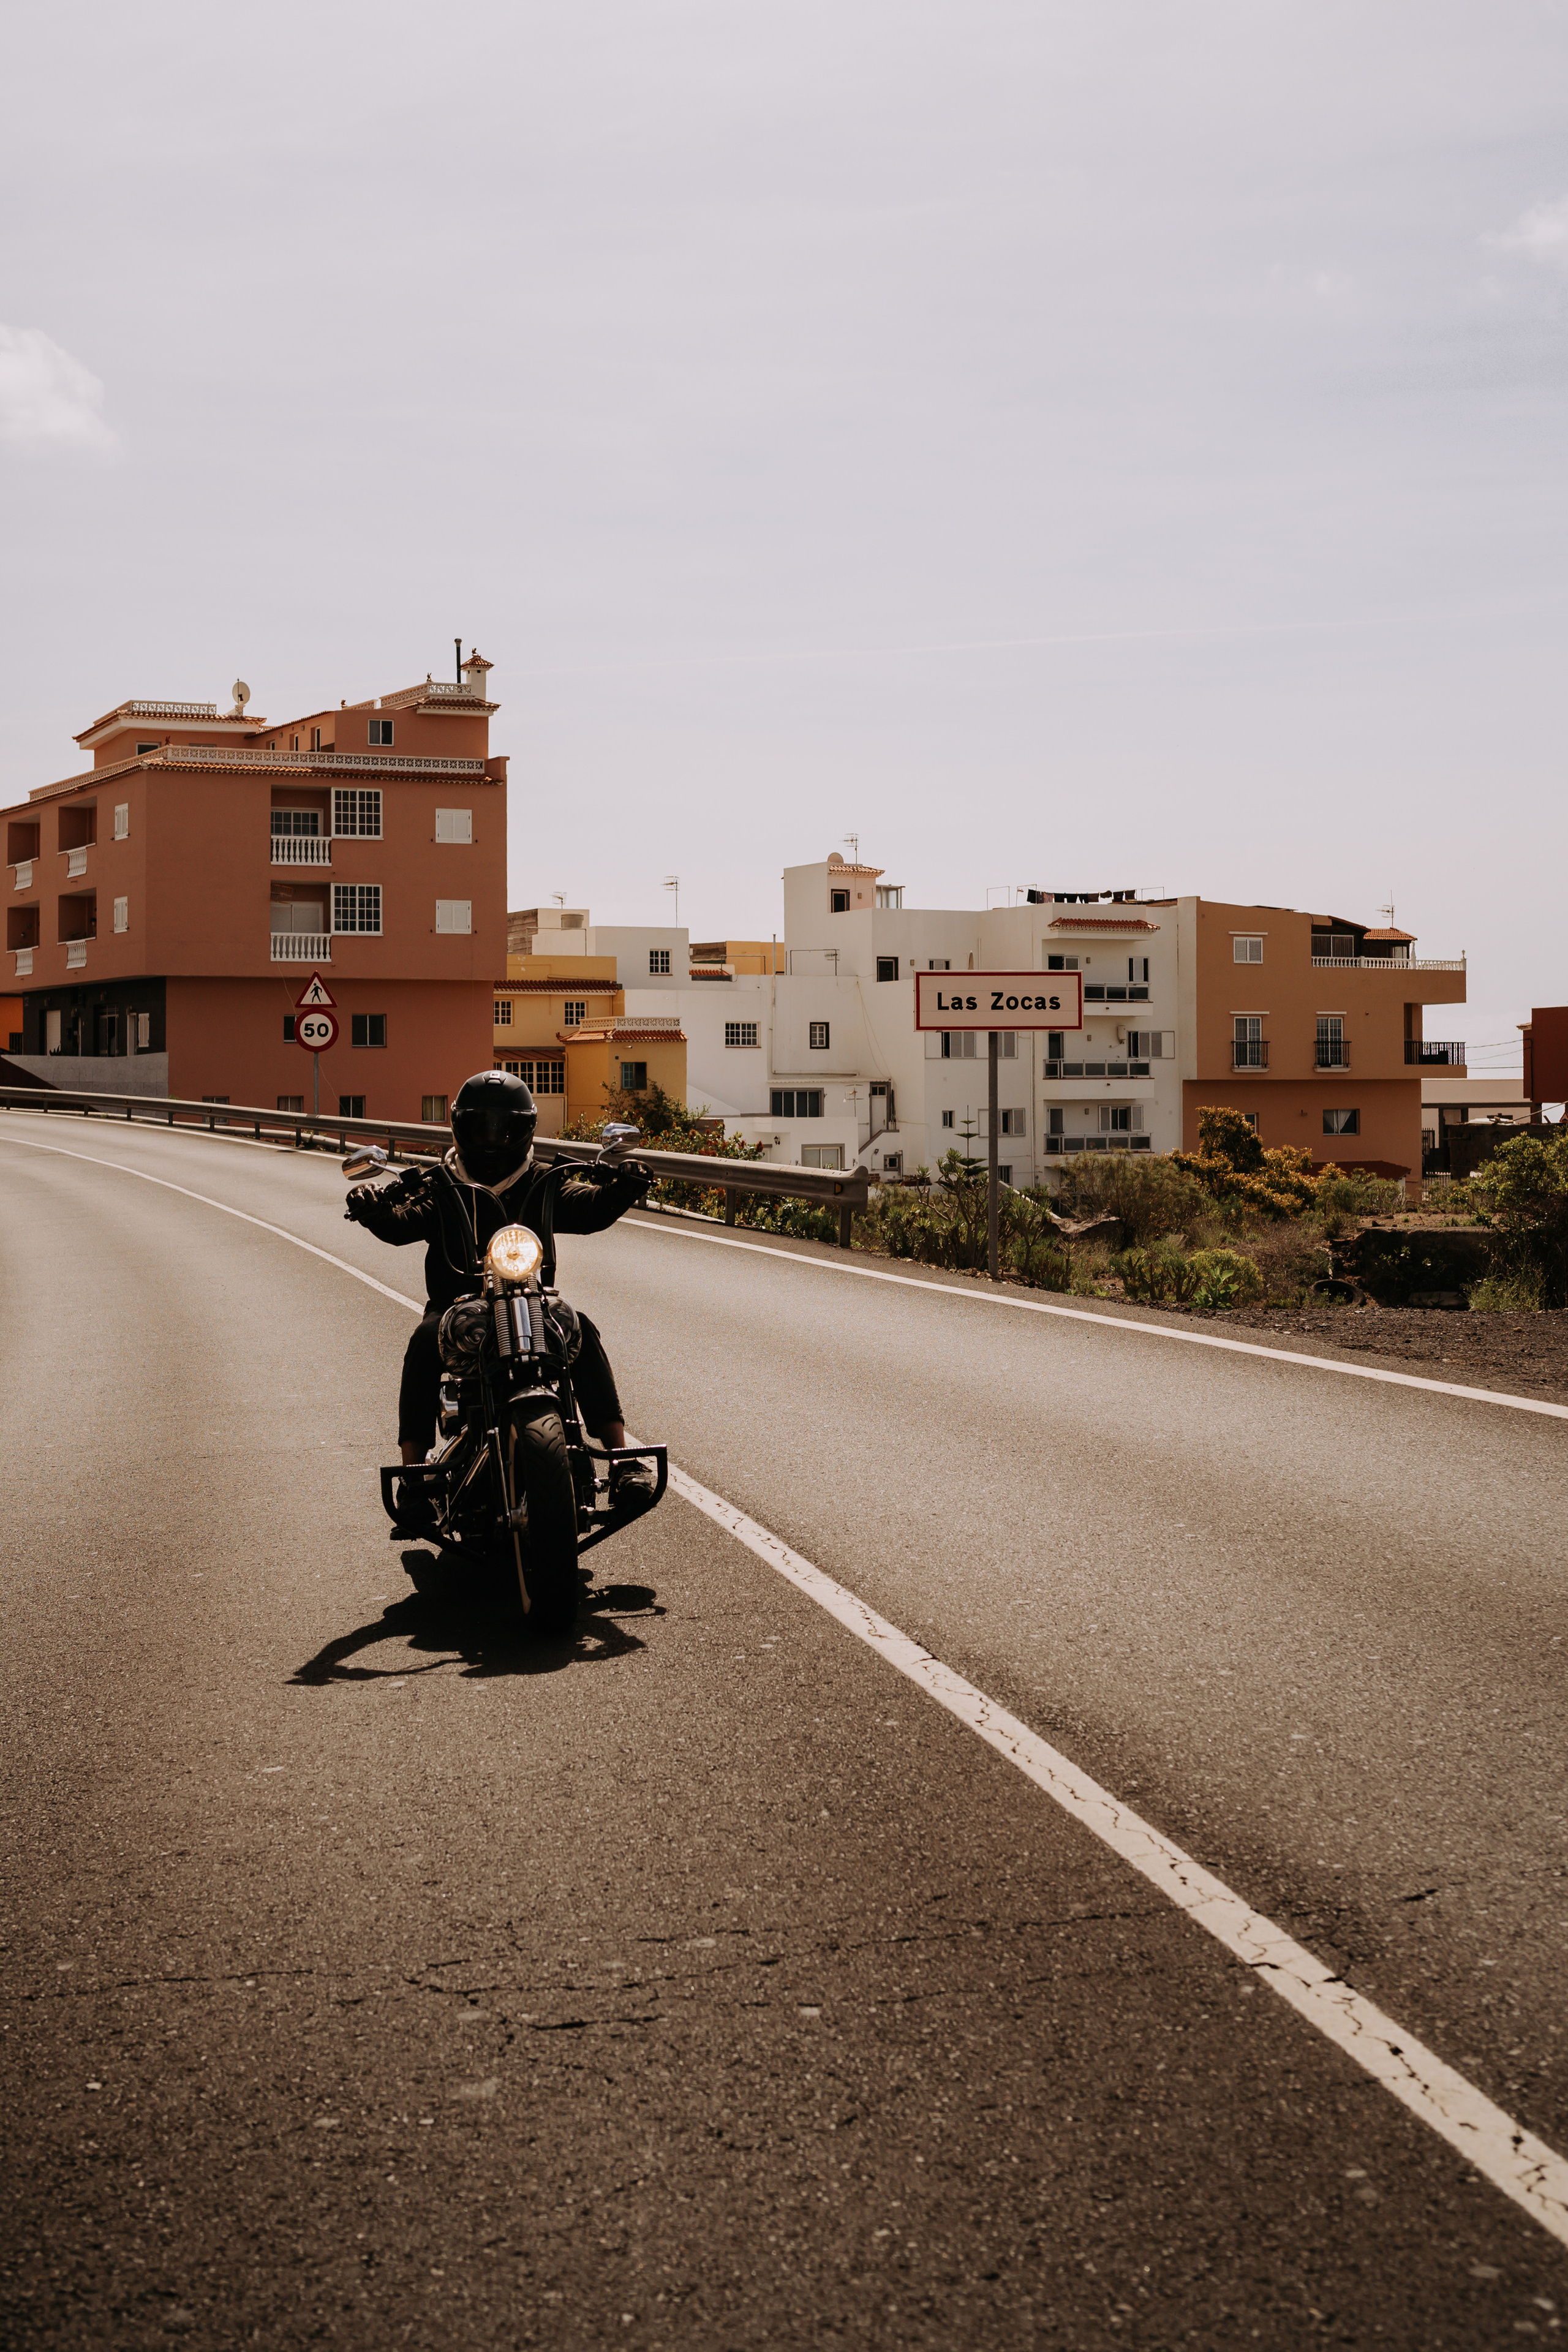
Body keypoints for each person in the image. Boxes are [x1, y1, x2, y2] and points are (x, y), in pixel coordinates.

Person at [344, 1069, 657, 1515]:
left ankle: (623, 1461)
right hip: (458, 1308)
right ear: (460, 1127)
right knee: (422, 1341)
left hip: (531, 1301)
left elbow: (588, 1209)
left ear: (524, 1129)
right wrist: (374, 1208)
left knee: (579, 1327)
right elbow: (402, 1224)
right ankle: (414, 1477)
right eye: (480, 1127)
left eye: (502, 1127)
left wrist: (623, 1187)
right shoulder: (441, 1184)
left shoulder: (544, 1180)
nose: (491, 1140)